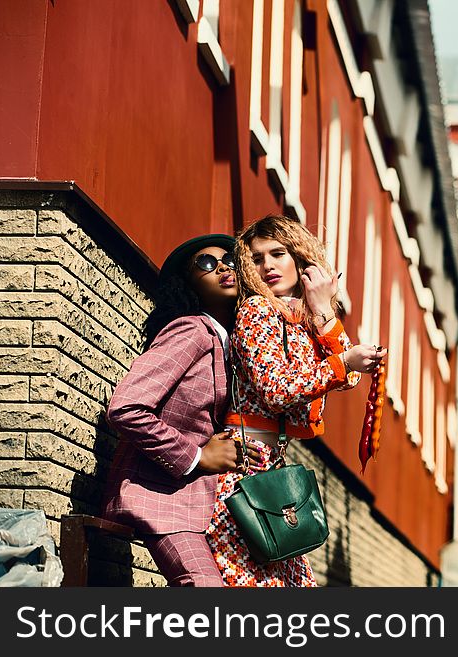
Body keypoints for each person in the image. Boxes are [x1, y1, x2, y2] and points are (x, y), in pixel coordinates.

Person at [206, 213, 385, 587]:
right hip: (242, 463)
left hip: (273, 464)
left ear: (300, 260)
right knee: (249, 583)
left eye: (278, 253)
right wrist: (341, 362)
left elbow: (349, 377)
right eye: (256, 258)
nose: (268, 265)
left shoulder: (300, 318)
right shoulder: (256, 311)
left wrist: (323, 309)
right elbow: (276, 389)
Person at [102, 234, 262, 586]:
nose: (223, 267)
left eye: (231, 260)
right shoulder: (191, 331)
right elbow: (127, 407)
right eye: (206, 263)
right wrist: (196, 457)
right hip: (161, 500)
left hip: (208, 508)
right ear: (188, 283)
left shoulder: (232, 343)